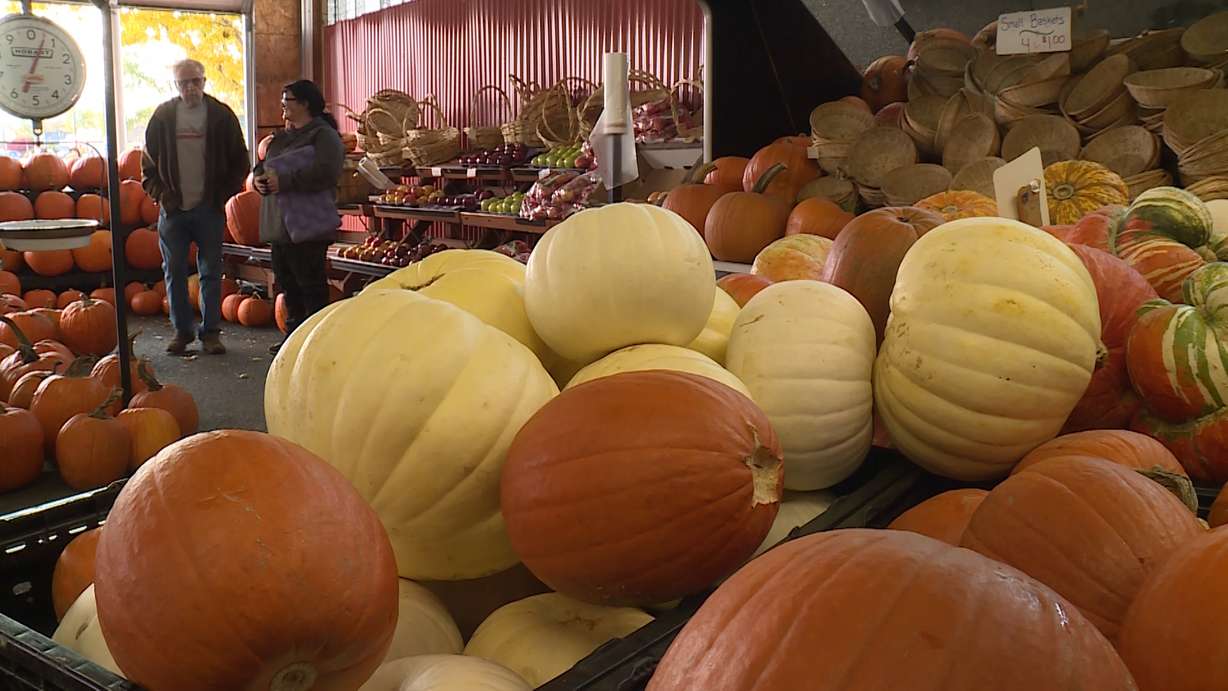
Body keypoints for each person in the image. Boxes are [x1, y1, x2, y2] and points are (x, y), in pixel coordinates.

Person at [141, 58, 249, 355]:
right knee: (174, 270)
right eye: (183, 83)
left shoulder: (220, 116)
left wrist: (222, 196)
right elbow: (147, 167)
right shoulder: (163, 117)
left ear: (204, 81)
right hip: (173, 210)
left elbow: (241, 160)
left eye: (196, 81)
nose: (190, 88)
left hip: (209, 208)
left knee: (211, 271)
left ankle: (211, 332)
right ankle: (182, 332)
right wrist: (162, 196)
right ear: (175, 86)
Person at [254, 80, 344, 354]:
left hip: (309, 223)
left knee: (310, 281)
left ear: (305, 103)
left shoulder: (324, 136)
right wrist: (259, 180)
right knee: (286, 280)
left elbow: (327, 172)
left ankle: (315, 340)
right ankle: (293, 337)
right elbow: (262, 166)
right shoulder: (281, 138)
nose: (282, 106)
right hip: (280, 224)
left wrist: (286, 181)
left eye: (287, 101)